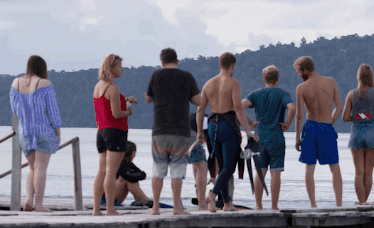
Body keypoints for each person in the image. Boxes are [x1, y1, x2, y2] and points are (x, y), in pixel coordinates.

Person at [145, 48, 203, 216]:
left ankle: (155, 207)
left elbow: (148, 98)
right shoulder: (186, 76)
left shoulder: (156, 76)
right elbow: (197, 101)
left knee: (158, 170)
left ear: (162, 61)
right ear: (177, 61)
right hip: (180, 131)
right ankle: (177, 207)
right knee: (177, 170)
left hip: (160, 130)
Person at [198, 53, 255, 211]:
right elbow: (237, 107)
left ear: (219, 64)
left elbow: (200, 110)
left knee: (222, 166)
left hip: (212, 126)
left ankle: (227, 203)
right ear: (232, 66)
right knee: (230, 167)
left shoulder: (208, 84)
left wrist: (198, 132)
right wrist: (247, 131)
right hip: (227, 125)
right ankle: (212, 195)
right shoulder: (233, 83)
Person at [9, 55, 62, 212]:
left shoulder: (15, 83)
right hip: (43, 130)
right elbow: (52, 111)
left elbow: (14, 109)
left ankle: (28, 201)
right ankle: (39, 205)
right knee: (41, 168)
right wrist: (57, 132)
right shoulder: (44, 83)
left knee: (32, 168)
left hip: (24, 132)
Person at [243, 65, 295, 210]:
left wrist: (250, 123)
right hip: (276, 138)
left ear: (263, 79)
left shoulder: (256, 93)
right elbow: (292, 108)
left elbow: (239, 107)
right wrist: (288, 123)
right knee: (276, 173)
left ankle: (258, 205)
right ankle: (274, 206)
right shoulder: (282, 93)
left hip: (259, 138)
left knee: (260, 172)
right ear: (277, 79)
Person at [91, 54, 138, 216]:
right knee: (111, 171)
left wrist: (124, 99)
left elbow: (106, 105)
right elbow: (117, 114)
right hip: (115, 131)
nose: (122, 69)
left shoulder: (98, 87)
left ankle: (96, 209)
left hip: (101, 131)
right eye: (119, 66)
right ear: (111, 68)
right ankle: (110, 208)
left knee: (101, 171)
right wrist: (129, 111)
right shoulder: (113, 88)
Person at [294, 56, 343, 207]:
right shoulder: (331, 81)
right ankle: (339, 204)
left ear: (306, 70)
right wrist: (330, 122)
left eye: (299, 72)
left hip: (311, 127)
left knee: (310, 168)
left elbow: (300, 116)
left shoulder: (301, 88)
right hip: (326, 127)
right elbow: (339, 107)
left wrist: (297, 138)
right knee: (334, 167)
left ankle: (313, 205)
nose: (298, 75)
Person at [342, 64, 374, 205]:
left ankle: (361, 203)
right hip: (373, 134)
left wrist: (358, 116)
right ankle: (364, 204)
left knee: (358, 172)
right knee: (369, 172)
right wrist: (370, 115)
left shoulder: (351, 94)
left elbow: (344, 117)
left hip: (356, 134)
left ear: (358, 77)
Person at [112, 141, 149, 206]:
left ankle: (142, 199)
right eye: (135, 152)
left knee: (131, 177)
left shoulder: (129, 164)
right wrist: (131, 175)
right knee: (126, 179)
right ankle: (143, 199)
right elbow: (127, 176)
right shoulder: (118, 163)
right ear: (131, 153)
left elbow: (142, 174)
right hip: (109, 198)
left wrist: (131, 174)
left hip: (116, 197)